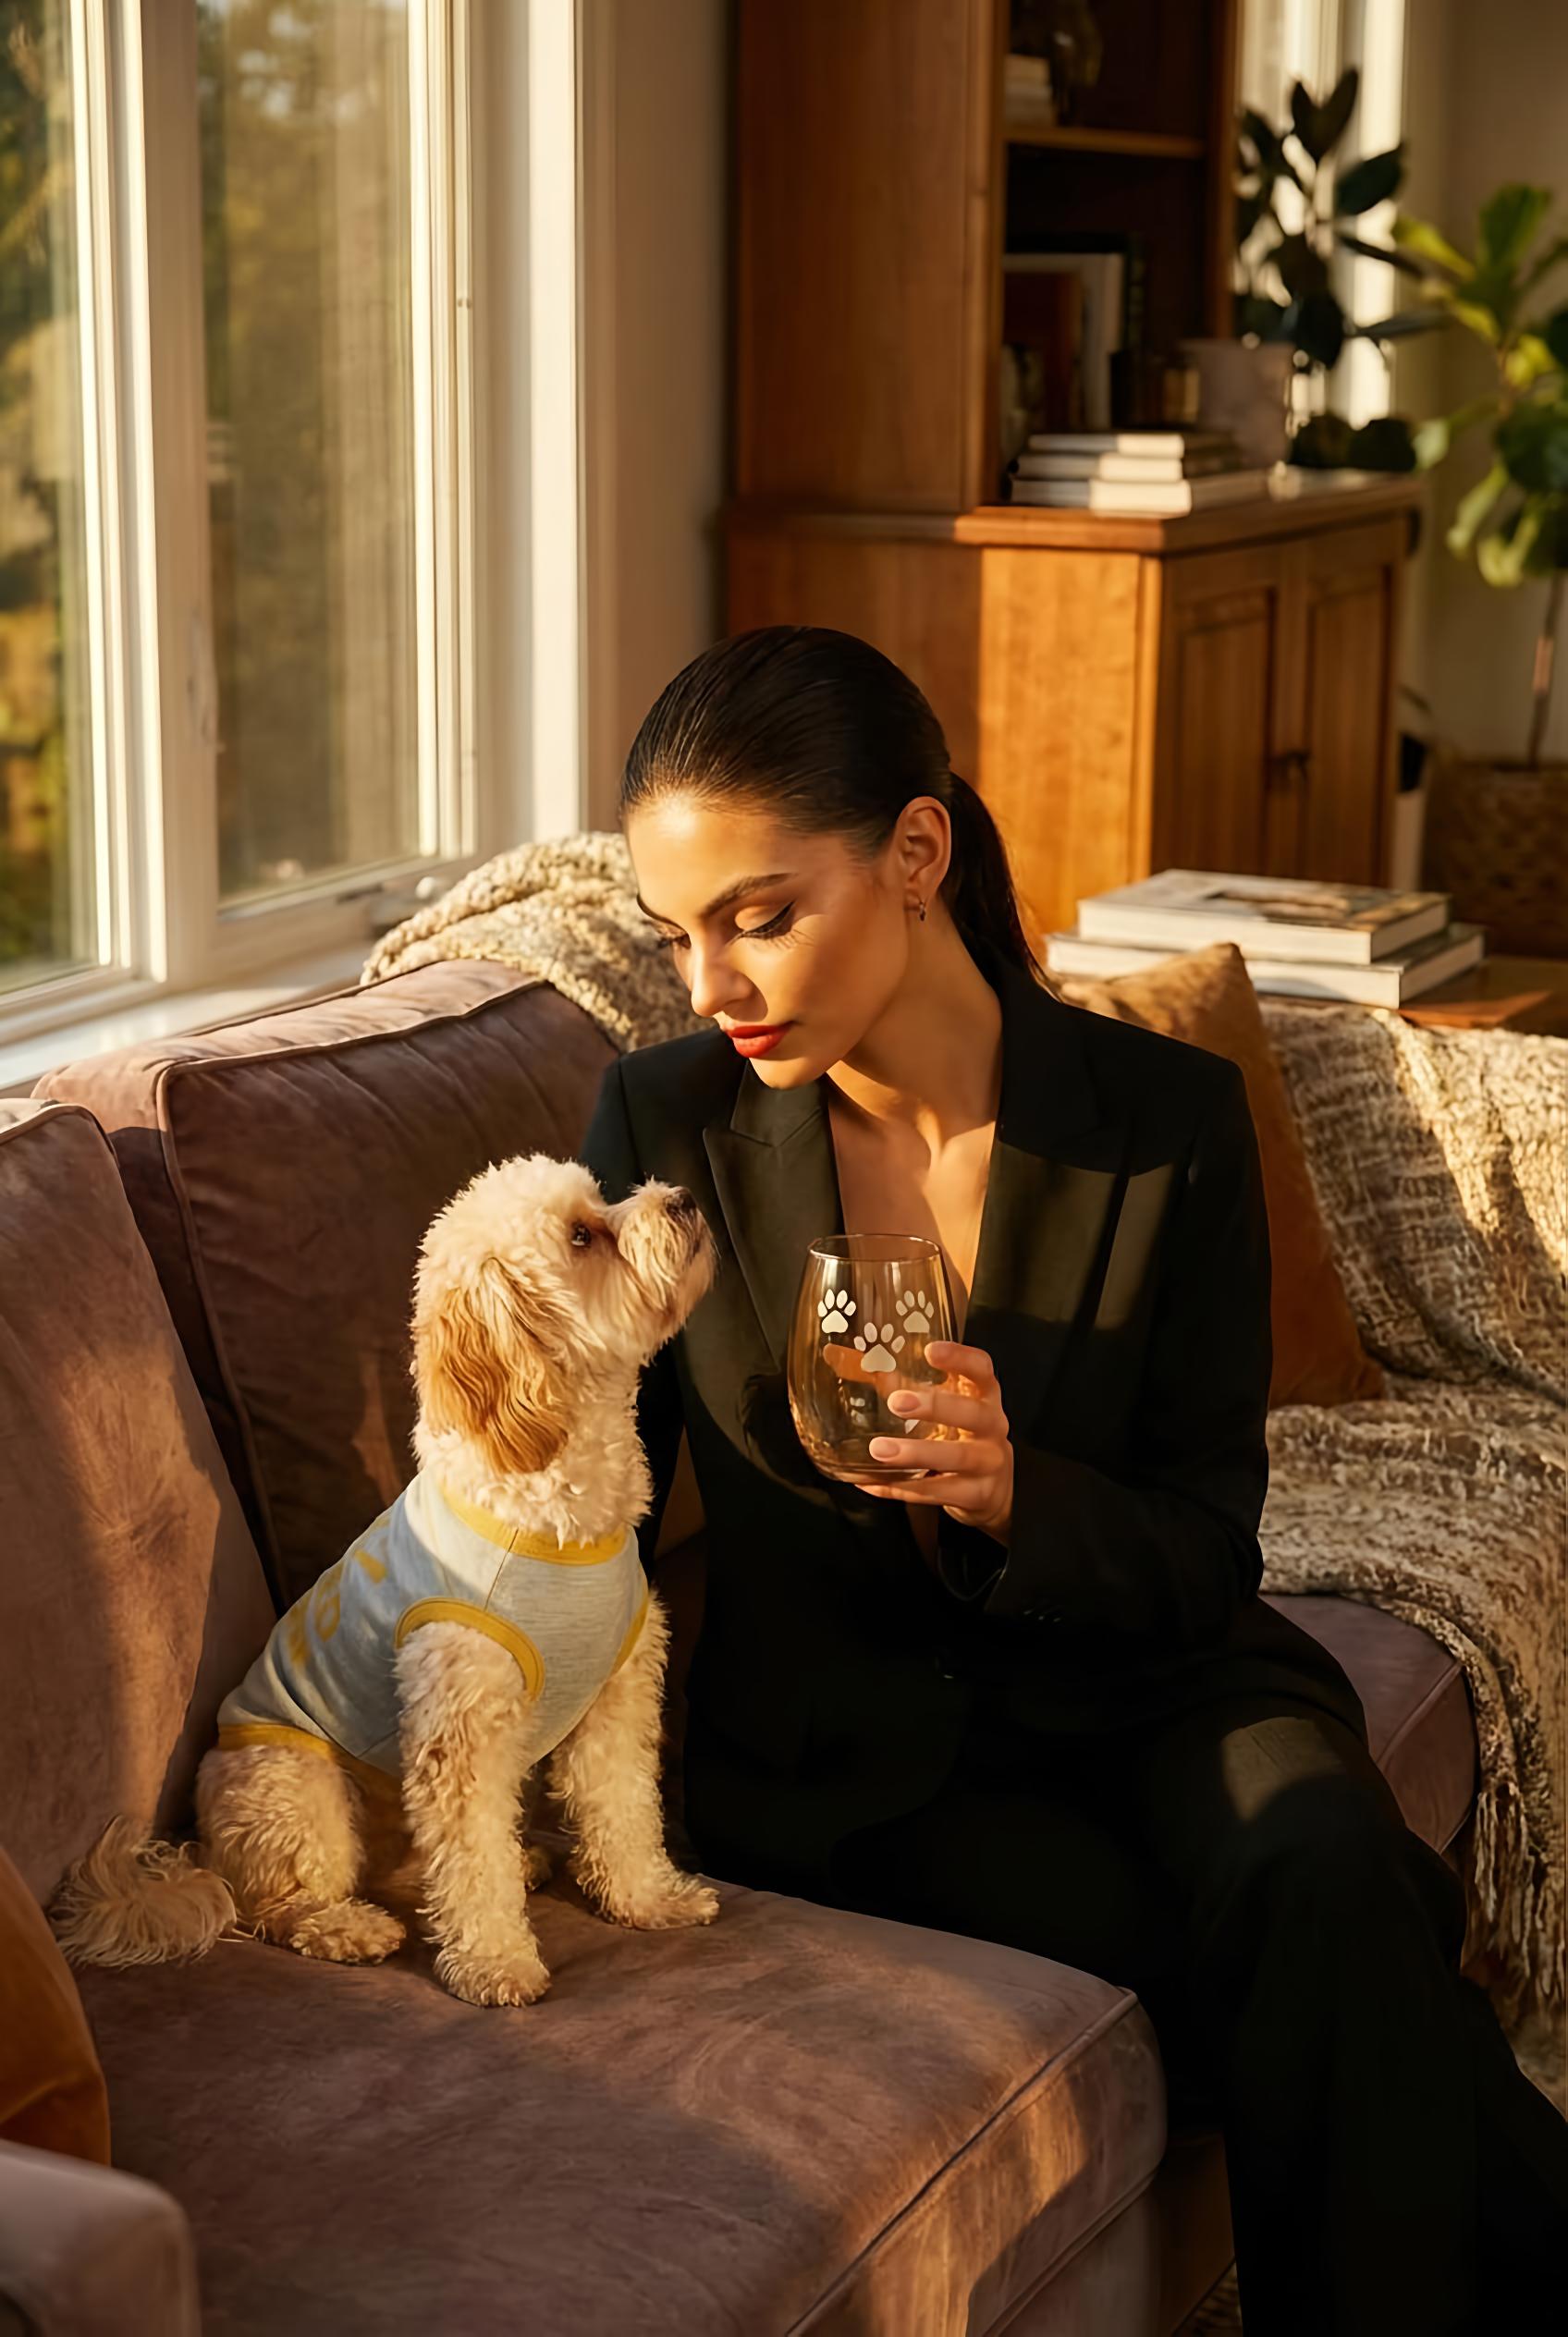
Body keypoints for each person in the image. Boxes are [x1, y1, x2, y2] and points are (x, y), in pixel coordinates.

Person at [580, 624, 1568, 2335]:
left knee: (1321, 1866)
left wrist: (1016, 1496)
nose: (710, 987)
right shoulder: (660, 1127)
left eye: (757, 915)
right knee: (1335, 1961)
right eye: (679, 935)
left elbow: (1205, 1542)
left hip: (1157, 1677)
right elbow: (592, 1479)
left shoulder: (1161, 1122)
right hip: (861, 1766)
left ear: (914, 853)